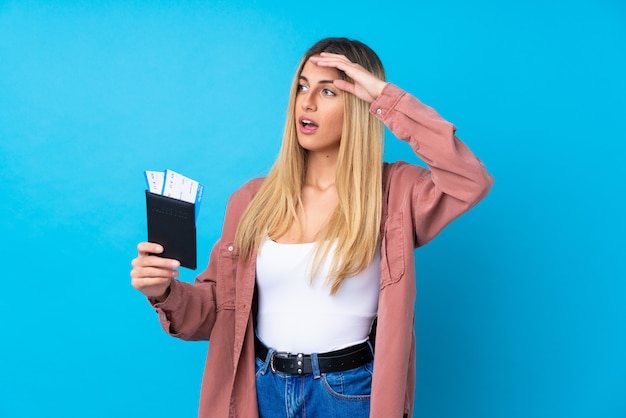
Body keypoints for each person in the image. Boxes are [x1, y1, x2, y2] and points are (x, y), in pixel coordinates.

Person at [131, 37, 493, 418]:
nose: (307, 102)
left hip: (350, 393)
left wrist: (386, 99)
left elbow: (470, 180)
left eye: (328, 91)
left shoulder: (394, 193)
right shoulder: (253, 199)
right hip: (263, 388)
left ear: (360, 103)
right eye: (302, 87)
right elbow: (217, 312)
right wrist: (164, 291)